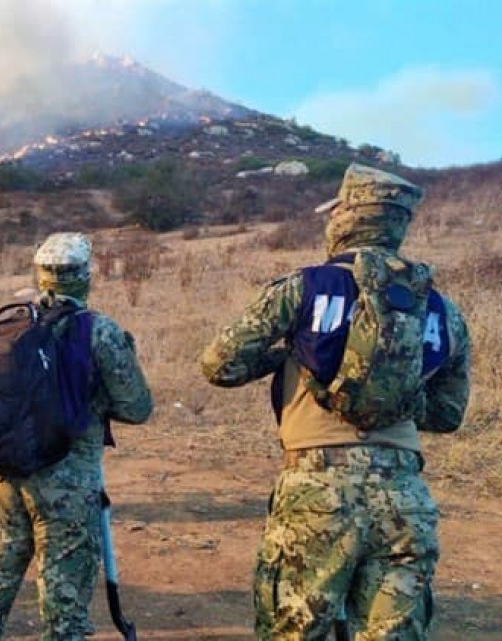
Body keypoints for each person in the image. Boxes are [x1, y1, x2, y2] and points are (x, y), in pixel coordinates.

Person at [199, 164, 471, 640]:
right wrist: (391, 393)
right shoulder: (441, 310)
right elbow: (448, 415)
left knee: (297, 630)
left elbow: (219, 365)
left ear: (345, 216)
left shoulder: (303, 288)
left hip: (316, 488)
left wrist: (289, 354)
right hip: (405, 495)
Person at [0, 232, 154, 640]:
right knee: (64, 610)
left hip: (4, 476)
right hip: (68, 483)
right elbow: (137, 407)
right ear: (86, 276)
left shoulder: (9, 325)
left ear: (41, 275)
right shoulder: (98, 330)